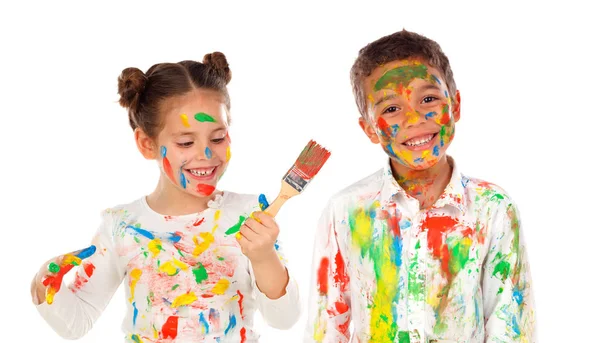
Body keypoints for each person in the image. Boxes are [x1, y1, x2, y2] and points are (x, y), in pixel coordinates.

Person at [31, 52, 301, 343]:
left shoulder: (249, 215)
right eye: (186, 142)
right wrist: (43, 285)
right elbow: (76, 324)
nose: (206, 154)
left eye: (218, 137)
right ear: (147, 144)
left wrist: (263, 257)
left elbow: (284, 319)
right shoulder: (123, 225)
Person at [305, 30, 535, 343]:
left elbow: (511, 326)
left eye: (428, 99)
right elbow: (327, 327)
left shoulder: (492, 207)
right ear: (369, 128)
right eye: (391, 108)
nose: (414, 118)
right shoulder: (346, 211)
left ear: (454, 105)